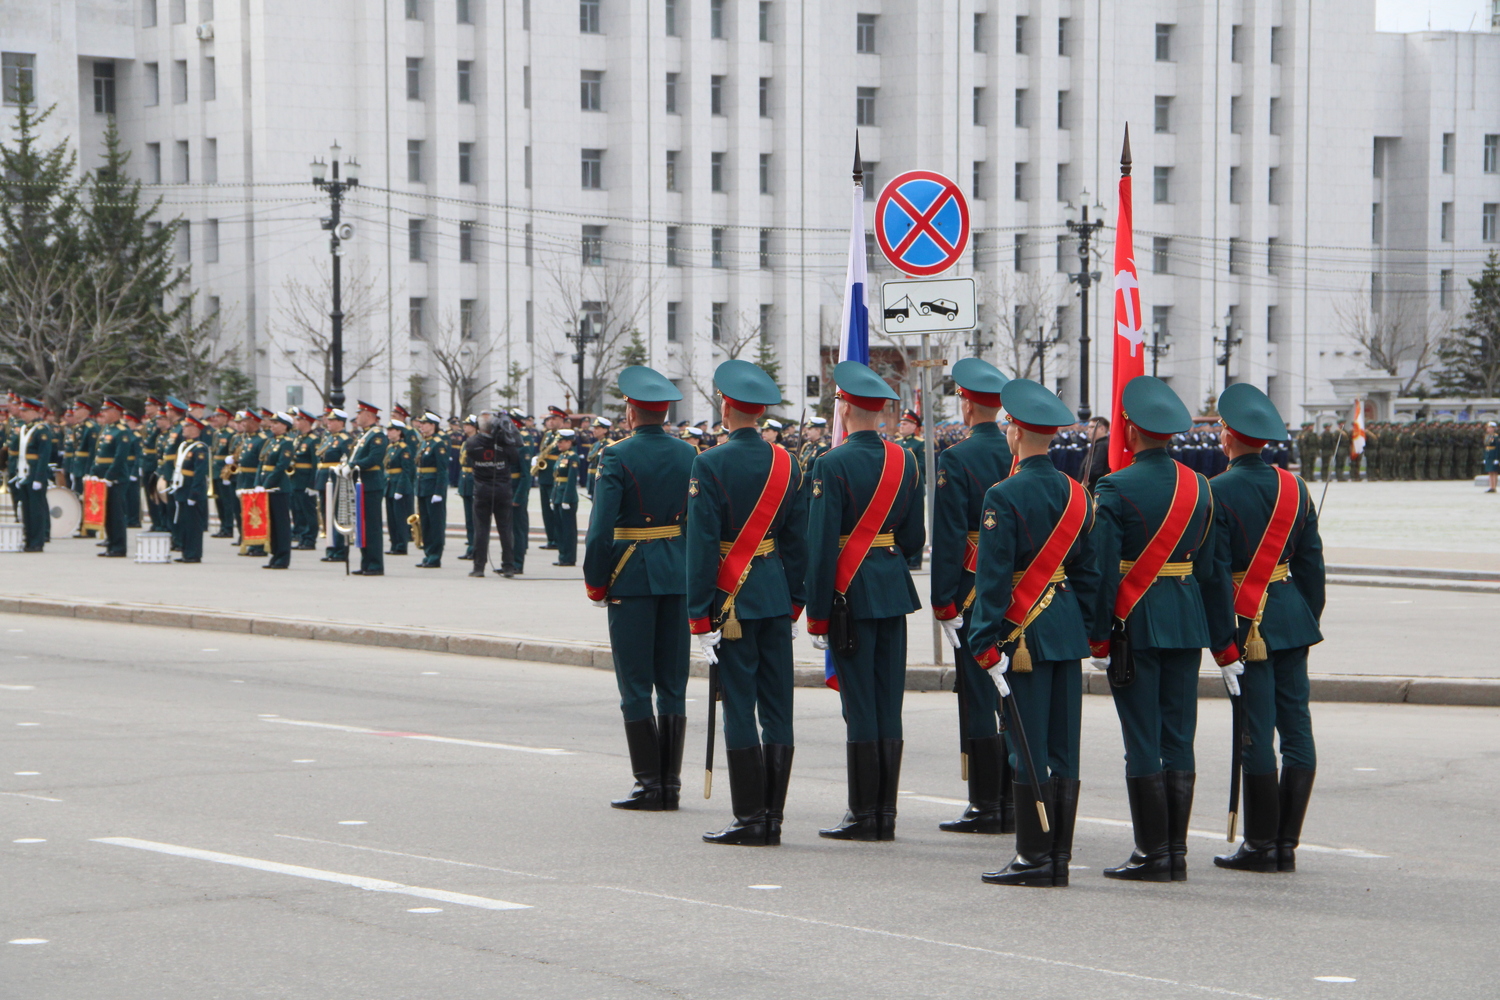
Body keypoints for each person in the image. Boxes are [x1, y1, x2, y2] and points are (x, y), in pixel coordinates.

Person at [965, 378, 1100, 888]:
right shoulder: (1077, 494)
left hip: (1022, 635)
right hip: (1064, 627)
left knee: (1025, 746)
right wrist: (1089, 629)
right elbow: (1089, 573)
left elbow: (993, 578)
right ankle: (1057, 855)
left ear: (1016, 433)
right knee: (1064, 746)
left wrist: (984, 640)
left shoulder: (1003, 494)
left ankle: (1033, 856)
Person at [1090, 375, 1225, 883]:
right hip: (1186, 619)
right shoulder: (1200, 486)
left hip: (1137, 622)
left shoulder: (1114, 486)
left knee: (1142, 736)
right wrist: (1223, 639)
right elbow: (1209, 570)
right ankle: (1176, 851)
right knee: (1179, 734)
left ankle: (1151, 852)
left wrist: (1098, 635)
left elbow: (1103, 571)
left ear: (1129, 429)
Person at [1202, 383, 1325, 874]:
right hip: (1291, 616)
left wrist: (1220, 638)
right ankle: (1285, 844)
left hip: (1245, 619)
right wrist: (1304, 616)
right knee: (1297, 728)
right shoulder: (1296, 487)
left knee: (1255, 731)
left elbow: (1214, 574)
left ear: (1228, 437)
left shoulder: (1216, 491)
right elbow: (1312, 566)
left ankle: (1259, 844)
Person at [686, 361, 808, 845]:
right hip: (774, 595)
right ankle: (773, 815)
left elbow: (701, 546)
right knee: (778, 706)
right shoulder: (787, 462)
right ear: (759, 412)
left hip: (730, 600)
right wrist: (795, 600)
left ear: (726, 407)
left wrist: (699, 615)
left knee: (739, 706)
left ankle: (750, 817)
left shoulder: (709, 463)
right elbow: (797, 541)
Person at [805, 361, 925, 842]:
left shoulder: (830, 464)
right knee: (888, 701)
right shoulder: (906, 460)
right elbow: (913, 538)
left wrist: (816, 615)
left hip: (848, 594)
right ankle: (885, 813)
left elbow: (820, 547)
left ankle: (863, 814)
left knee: (859, 704)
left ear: (844, 408)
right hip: (892, 589)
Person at [581, 368, 698, 813]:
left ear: (631, 412)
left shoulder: (616, 455)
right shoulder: (689, 453)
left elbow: (599, 531)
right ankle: (670, 784)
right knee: (672, 682)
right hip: (678, 575)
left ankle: (649, 784)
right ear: (664, 413)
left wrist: (596, 582)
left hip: (631, 577)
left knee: (635, 684)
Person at [929, 357, 1016, 836]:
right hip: (1023, 588)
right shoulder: (1017, 450)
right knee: (1014, 690)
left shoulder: (956, 458)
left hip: (971, 589)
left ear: (966, 405)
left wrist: (943, 599)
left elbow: (947, 536)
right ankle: (1014, 796)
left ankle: (986, 804)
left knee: (980, 694)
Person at [464, 411, 522, 578]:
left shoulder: (472, 443)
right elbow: (515, 458)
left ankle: (478, 567)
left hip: (482, 490)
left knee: (481, 530)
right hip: (502, 490)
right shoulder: (504, 442)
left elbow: (469, 458)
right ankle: (508, 566)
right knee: (505, 530)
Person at [9, 397, 57, 551]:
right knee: (27, 509)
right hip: (24, 473)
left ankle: (37, 541)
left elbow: (44, 456)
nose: (22, 413)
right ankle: (29, 539)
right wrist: (18, 474)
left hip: (35, 474)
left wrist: (39, 478)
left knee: (36, 509)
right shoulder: (25, 428)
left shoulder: (42, 430)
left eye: (25, 410)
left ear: (34, 411)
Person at [89, 398, 134, 558]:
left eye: (107, 410)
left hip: (115, 478)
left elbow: (120, 457)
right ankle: (111, 543)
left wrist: (110, 476)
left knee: (116, 514)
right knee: (107, 513)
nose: (103, 413)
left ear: (116, 412)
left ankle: (119, 547)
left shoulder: (122, 431)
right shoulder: (107, 429)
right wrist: (93, 473)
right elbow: (98, 455)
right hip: (102, 477)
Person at [348, 401, 389, 575]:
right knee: (362, 526)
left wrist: (352, 465)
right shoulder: (364, 435)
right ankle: (366, 562)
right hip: (360, 484)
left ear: (368, 415)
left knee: (372, 526)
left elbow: (374, 459)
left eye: (360, 413)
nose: (357, 416)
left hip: (371, 484)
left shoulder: (377, 435)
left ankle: (375, 564)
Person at [256, 412, 295, 569]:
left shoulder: (287, 443)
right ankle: (274, 554)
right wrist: (257, 484)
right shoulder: (270, 441)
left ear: (285, 426)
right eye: (271, 423)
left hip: (278, 488)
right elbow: (261, 464)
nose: (272, 425)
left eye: (276, 423)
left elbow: (281, 467)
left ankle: (283, 557)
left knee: (281, 524)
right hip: (266, 486)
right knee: (271, 523)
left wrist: (266, 485)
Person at [171, 414, 211, 563]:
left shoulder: (199, 448)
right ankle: (185, 551)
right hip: (182, 488)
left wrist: (194, 493)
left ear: (195, 429)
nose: (184, 428)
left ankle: (193, 553)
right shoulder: (184, 445)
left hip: (192, 489)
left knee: (193, 524)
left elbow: (199, 473)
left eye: (187, 426)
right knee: (184, 522)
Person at [315, 409, 353, 562]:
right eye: (328, 420)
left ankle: (340, 549)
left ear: (341, 423)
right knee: (326, 514)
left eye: (332, 421)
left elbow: (347, 461)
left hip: (337, 481)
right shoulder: (328, 438)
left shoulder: (345, 440)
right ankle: (330, 547)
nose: (328, 423)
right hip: (325, 479)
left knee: (337, 514)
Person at [413, 411, 448, 568]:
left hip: (433, 488)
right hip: (423, 487)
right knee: (425, 523)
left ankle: (435, 556)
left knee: (435, 523)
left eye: (424, 423)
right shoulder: (424, 442)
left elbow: (442, 470)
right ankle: (428, 553)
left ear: (433, 425)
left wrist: (439, 491)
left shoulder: (438, 444)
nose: (421, 426)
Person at [234, 409, 268, 557]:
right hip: (243, 478)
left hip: (253, 478)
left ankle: (259, 545)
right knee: (244, 513)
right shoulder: (247, 438)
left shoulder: (262, 439)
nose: (242, 424)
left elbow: (262, 462)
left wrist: (259, 482)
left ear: (253, 422)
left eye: (245, 421)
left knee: (256, 513)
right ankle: (248, 542)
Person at [896, 408, 926, 570]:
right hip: (898, 488)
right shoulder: (897, 443)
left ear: (914, 426)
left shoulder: (920, 443)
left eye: (905, 423)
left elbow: (923, 466)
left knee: (914, 522)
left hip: (914, 487)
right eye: (901, 423)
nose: (901, 426)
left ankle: (915, 559)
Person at [535, 406, 566, 549]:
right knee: (546, 510)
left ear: (561, 420)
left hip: (555, 475)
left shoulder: (564, 435)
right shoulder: (547, 435)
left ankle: (559, 539)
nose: (550, 422)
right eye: (549, 419)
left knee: (555, 510)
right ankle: (550, 539)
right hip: (544, 475)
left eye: (554, 419)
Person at [289, 409, 319, 549]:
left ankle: (309, 539)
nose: (296, 422)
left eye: (298, 420)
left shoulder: (313, 439)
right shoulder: (298, 438)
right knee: (298, 510)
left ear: (306, 422)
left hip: (306, 480)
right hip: (296, 479)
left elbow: (315, 464)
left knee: (308, 511)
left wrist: (312, 484)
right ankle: (301, 536)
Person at [551, 428, 581, 566]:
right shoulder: (561, 456)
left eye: (561, 442)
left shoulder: (572, 457)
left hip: (567, 498)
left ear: (569, 442)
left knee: (568, 530)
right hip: (558, 495)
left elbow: (571, 480)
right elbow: (556, 479)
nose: (558, 444)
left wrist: (566, 499)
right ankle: (562, 556)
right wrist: (553, 498)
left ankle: (569, 557)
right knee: (559, 529)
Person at [384, 419, 414, 556]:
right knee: (391, 518)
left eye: (392, 430)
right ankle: (394, 544)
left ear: (399, 432)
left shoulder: (404, 448)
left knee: (399, 518)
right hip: (390, 485)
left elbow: (406, 470)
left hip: (399, 486)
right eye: (388, 430)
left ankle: (401, 545)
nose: (389, 433)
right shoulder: (390, 447)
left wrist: (400, 489)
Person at [509, 414, 533, 574]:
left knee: (517, 529)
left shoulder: (522, 448)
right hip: (505, 492)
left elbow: (526, 476)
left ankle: (517, 563)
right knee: (507, 530)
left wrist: (518, 497)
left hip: (516, 493)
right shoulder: (505, 447)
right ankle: (508, 561)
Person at [457, 415, 478, 560]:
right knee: (469, 519)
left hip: (475, 480)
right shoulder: (466, 442)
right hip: (466, 481)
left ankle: (476, 548)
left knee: (476, 519)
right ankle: (471, 546)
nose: (465, 427)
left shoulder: (479, 442)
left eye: (468, 425)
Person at [1083, 416, 1111, 489]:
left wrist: (1086, 480)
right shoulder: (1101, 443)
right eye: (1088, 427)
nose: (1088, 430)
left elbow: (1095, 469)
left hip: (1094, 487)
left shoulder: (1101, 445)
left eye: (1092, 427)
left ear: (1102, 429)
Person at [1485, 421, 1499, 492]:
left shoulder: (1496, 437)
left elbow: (1498, 448)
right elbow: (1486, 447)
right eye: (1488, 428)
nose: (1488, 429)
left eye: (1490, 428)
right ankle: (1491, 486)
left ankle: (1494, 487)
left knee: (1494, 472)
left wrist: (1497, 458)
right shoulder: (1487, 436)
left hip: (1493, 455)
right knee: (1490, 471)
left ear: (1493, 429)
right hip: (1488, 455)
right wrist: (1485, 457)